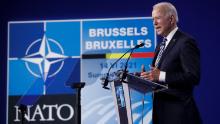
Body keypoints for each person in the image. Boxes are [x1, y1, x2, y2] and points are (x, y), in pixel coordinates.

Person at [140, 2, 202, 124]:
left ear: (171, 19)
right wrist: (147, 77)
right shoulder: (160, 45)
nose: (154, 23)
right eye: (153, 19)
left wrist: (161, 75)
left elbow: (193, 76)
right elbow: (159, 77)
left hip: (179, 115)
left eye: (158, 18)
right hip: (161, 113)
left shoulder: (185, 42)